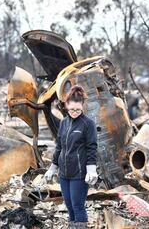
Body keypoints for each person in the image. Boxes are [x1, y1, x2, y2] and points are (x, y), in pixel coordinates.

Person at [44, 85, 98, 229]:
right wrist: (52, 168)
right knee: (69, 205)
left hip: (79, 174)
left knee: (77, 205)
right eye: (72, 109)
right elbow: (59, 147)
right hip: (64, 173)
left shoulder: (88, 124)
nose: (75, 112)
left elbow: (91, 148)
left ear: (83, 107)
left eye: (78, 110)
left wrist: (91, 169)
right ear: (66, 105)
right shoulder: (64, 123)